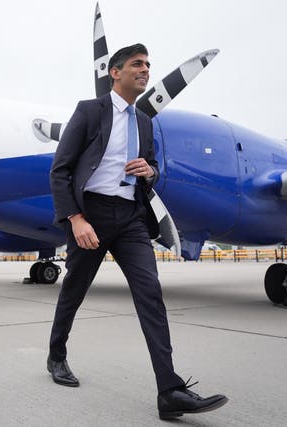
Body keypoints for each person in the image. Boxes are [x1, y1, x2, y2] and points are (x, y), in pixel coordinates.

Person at [47, 43, 228, 420]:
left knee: (151, 295)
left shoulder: (144, 122)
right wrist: (76, 219)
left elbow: (154, 167)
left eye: (148, 65)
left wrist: (151, 171)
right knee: (74, 291)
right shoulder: (88, 111)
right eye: (137, 64)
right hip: (91, 212)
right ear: (115, 72)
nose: (145, 70)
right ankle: (56, 355)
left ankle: (170, 391)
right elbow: (60, 170)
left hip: (130, 216)